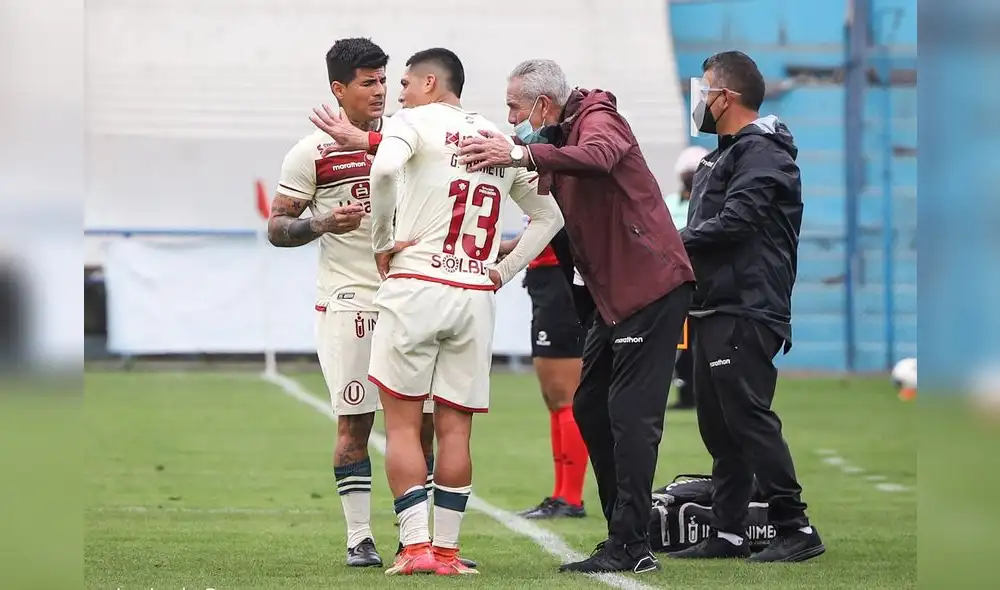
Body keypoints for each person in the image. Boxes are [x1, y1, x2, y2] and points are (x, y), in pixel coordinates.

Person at [457, 58, 694, 575]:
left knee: (631, 418)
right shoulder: (558, 137)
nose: (510, 117)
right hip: (614, 298)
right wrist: (501, 267)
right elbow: (549, 221)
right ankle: (627, 533)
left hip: (649, 287)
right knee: (590, 407)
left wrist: (519, 152)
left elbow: (599, 157)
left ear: (542, 104)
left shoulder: (597, 118)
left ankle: (631, 543)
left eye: (514, 107)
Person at [351, 48, 563, 576]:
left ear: (429, 82)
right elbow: (550, 216)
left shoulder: (412, 123)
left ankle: (416, 547)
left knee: (402, 426)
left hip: (417, 283)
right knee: (456, 430)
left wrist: (382, 242)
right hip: (472, 292)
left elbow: (382, 172)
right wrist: (503, 269)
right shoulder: (500, 139)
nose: (396, 94)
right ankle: (447, 552)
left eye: (403, 83)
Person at [266, 37, 443, 569]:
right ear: (338, 89)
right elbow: (276, 227)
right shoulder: (311, 153)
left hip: (412, 299)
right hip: (350, 301)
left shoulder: (408, 139)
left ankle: (414, 535)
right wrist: (320, 222)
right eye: (368, 83)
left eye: (384, 81)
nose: (380, 92)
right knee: (355, 424)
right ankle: (359, 537)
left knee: (425, 422)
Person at [667, 50, 824, 563]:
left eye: (705, 89)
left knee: (747, 416)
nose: (700, 100)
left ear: (726, 97)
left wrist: (671, 243)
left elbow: (737, 223)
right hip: (716, 305)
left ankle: (795, 527)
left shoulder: (763, 155)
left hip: (748, 306)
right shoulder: (722, 154)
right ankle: (730, 530)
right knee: (718, 424)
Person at [498, 222, 588, 520]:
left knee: (565, 398)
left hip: (559, 279)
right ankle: (562, 495)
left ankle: (571, 498)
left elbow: (556, 223)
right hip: (545, 279)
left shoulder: (564, 178)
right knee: (555, 400)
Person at [664, 145, 709, 410]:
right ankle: (685, 393)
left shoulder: (710, 203)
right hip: (675, 282)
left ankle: (700, 394)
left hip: (704, 282)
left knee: (700, 342)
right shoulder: (669, 203)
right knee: (678, 343)